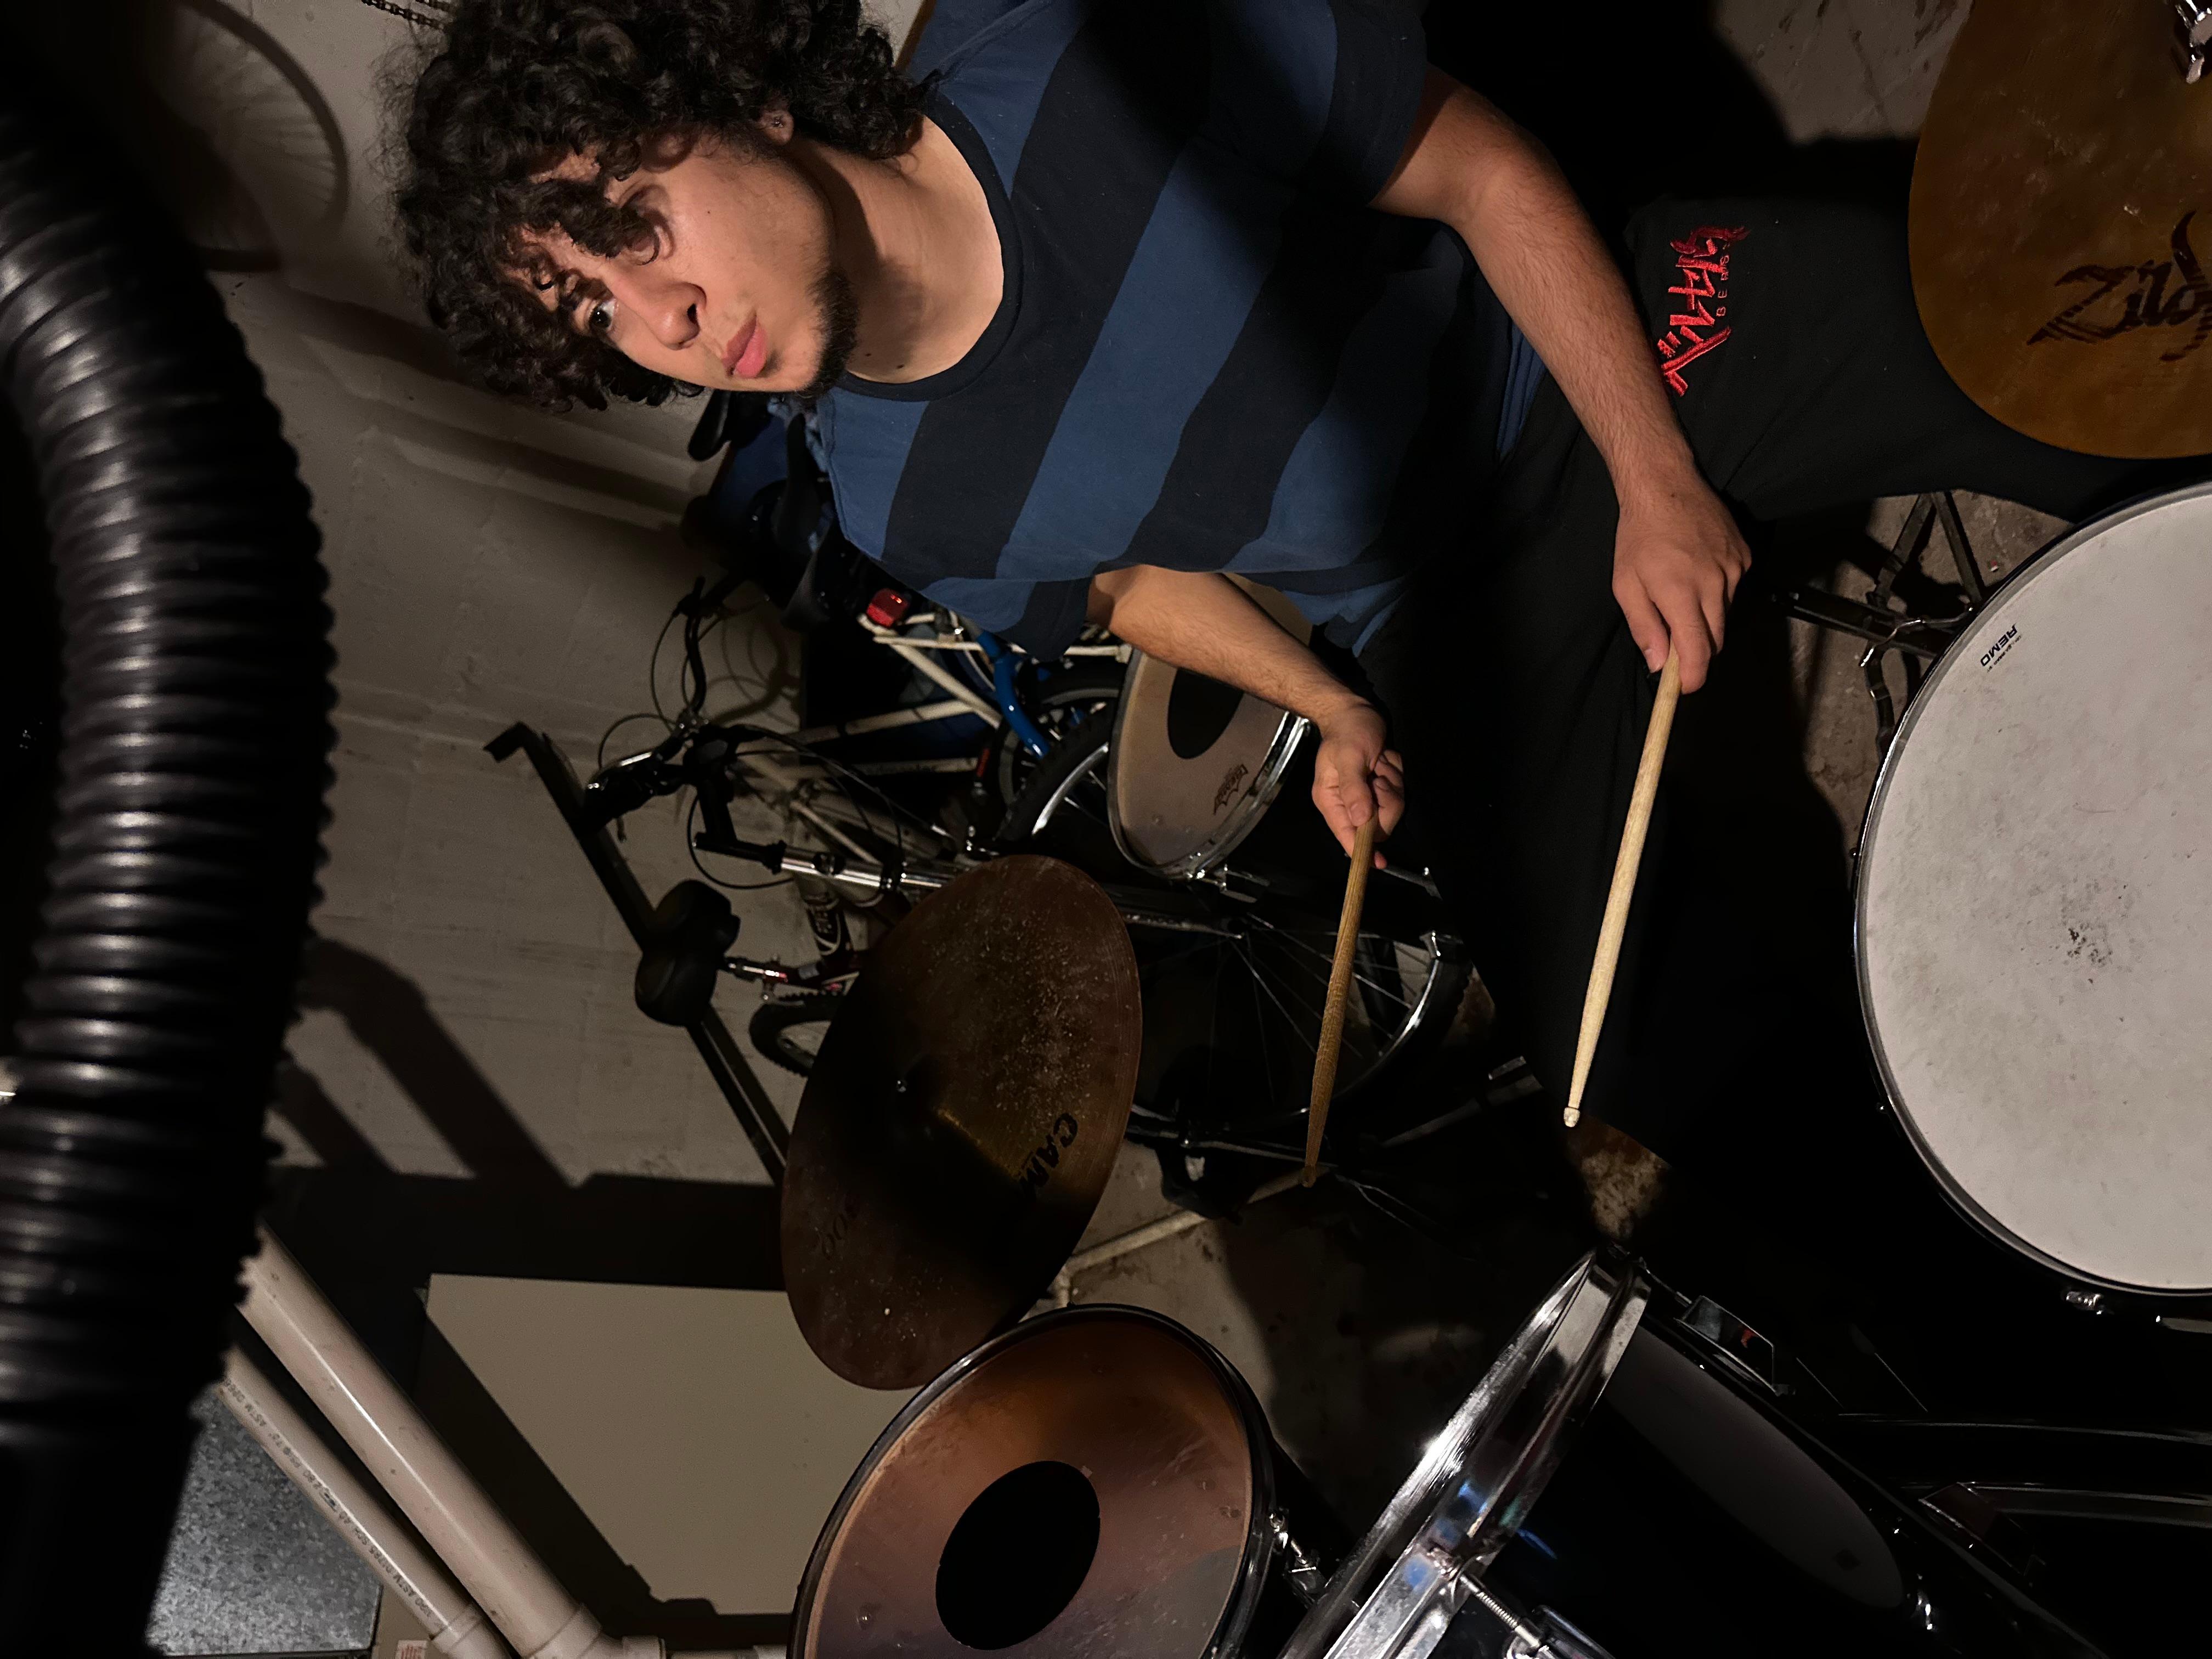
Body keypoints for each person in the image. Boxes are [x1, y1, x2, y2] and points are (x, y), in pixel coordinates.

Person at [397, 0, 2149, 1159]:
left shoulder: (1082, 51)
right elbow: (1120, 591)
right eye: (597, 316)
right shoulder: (891, 504)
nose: (663, 321)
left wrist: (1653, 477)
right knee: (1646, 1072)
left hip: (1594, 363)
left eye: (631, 228)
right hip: (1444, 616)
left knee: (2069, 354)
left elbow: (1476, 166)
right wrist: (1324, 701)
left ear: (736, 100)